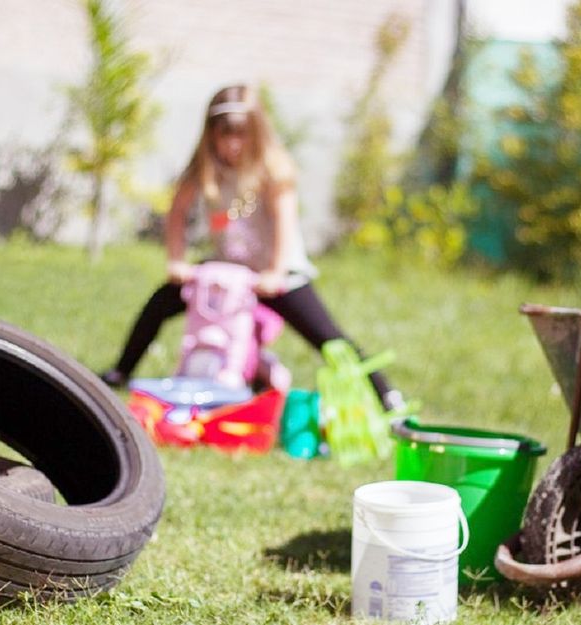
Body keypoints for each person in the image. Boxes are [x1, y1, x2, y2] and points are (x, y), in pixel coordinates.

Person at [101, 84, 401, 410]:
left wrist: (274, 272)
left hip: (275, 271)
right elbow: (177, 212)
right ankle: (121, 371)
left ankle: (385, 394)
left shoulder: (273, 168)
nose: (233, 144)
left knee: (326, 335)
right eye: (224, 135)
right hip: (226, 270)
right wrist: (177, 261)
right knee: (160, 303)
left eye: (242, 135)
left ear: (257, 133)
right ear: (211, 135)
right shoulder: (205, 167)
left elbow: (284, 222)